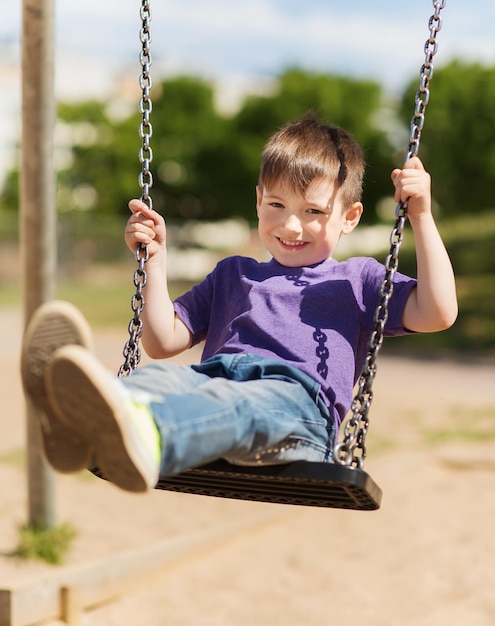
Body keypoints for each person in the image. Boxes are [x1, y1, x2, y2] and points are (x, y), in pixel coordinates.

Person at [21, 114, 458, 494]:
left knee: (242, 405)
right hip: (213, 384)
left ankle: (146, 436)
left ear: (350, 216)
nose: (291, 224)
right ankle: (81, 420)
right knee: (161, 380)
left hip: (295, 411)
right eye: (277, 204)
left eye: (314, 212)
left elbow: (438, 312)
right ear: (258, 201)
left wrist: (420, 216)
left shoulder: (357, 280)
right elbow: (162, 341)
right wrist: (155, 263)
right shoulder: (234, 274)